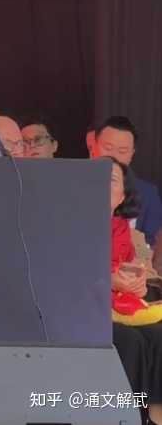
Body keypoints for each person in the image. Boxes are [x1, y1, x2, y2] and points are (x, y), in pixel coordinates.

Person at [109, 157, 162, 424]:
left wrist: (136, 282)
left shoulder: (121, 229)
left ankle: (155, 415)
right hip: (86, 307)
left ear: (122, 196)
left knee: (158, 334)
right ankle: (126, 415)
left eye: (111, 180)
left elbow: (127, 267)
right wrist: (110, 281)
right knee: (131, 341)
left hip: (119, 304)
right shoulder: (69, 224)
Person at [93, 116, 162, 246]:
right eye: (108, 148)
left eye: (122, 151)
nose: (114, 156)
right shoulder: (76, 185)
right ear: (94, 146)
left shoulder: (148, 194)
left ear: (132, 154)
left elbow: (153, 242)